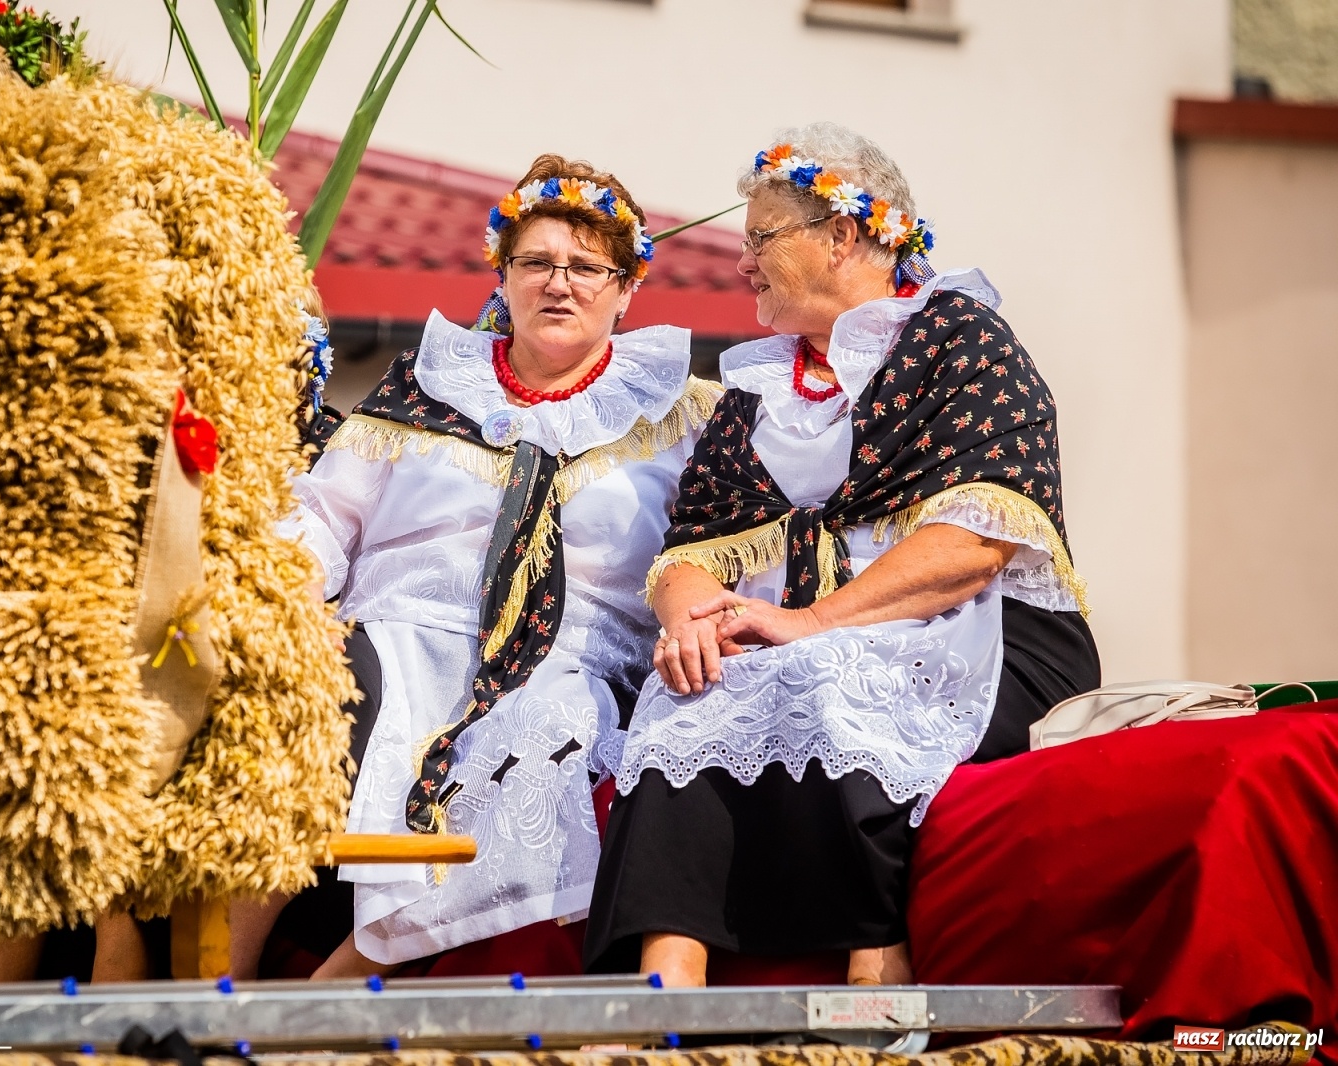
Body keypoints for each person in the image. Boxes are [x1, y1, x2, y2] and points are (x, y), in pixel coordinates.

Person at [584, 124, 1101, 987]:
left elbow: (975, 543)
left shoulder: (962, 342)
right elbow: (689, 550)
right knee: (684, 696)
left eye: (759, 238)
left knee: (831, 671)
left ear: (842, 234)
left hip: (987, 633)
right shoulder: (758, 391)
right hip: (809, 631)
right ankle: (663, 986)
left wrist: (812, 622)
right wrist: (693, 626)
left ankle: (878, 967)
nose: (741, 263)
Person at [247, 154, 721, 977]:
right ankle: (220, 980)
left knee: (542, 740)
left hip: (571, 661)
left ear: (626, 289)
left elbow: (715, 544)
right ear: (503, 275)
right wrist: (278, 602)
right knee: (287, 692)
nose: (558, 284)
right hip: (395, 634)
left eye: (585, 268)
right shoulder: (426, 387)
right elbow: (323, 515)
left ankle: (337, 982)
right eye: (536, 262)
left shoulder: (684, 418)